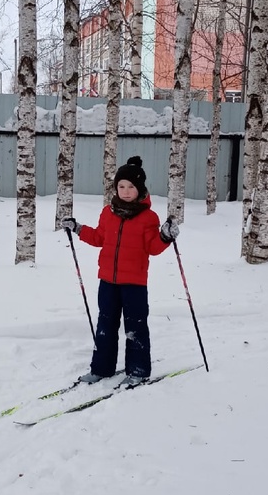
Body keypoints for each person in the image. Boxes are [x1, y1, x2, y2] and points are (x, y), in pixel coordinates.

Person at [61, 156, 180, 387]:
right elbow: (99, 238)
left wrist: (166, 236)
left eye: (131, 187)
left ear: (140, 189)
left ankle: (138, 370)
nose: (125, 191)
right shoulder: (108, 212)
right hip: (107, 280)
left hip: (134, 283)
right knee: (105, 326)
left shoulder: (148, 217)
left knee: (135, 327)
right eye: (121, 186)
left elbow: (153, 248)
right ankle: (101, 369)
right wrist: (78, 228)